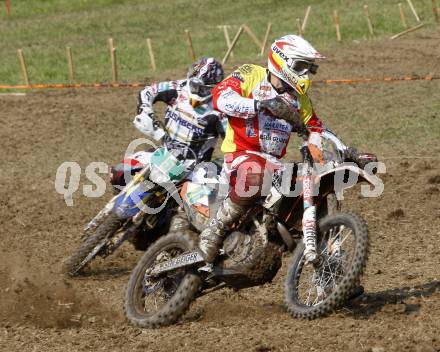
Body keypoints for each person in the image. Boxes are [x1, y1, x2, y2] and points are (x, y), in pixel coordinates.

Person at [198, 35, 375, 266]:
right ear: (282, 61)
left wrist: (348, 151)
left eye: (308, 69)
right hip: (240, 156)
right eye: (300, 66)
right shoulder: (251, 74)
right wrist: (257, 104)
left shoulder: (299, 100)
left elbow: (317, 129)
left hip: (274, 164)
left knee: (322, 191)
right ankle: (215, 230)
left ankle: (332, 271)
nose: (304, 74)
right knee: (255, 172)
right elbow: (220, 97)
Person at [110, 57, 225, 190]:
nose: (197, 91)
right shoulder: (178, 87)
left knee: (201, 205)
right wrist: (146, 112)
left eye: (203, 89)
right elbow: (147, 92)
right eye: (194, 86)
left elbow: (234, 142)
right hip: (164, 153)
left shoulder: (220, 110)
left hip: (194, 170)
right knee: (117, 174)